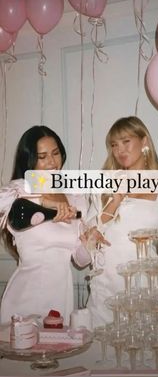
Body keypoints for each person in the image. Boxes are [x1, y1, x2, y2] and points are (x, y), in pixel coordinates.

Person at [86, 116, 158, 328]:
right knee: (102, 353)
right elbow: (89, 233)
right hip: (107, 281)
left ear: (144, 141)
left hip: (145, 283)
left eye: (126, 141)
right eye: (114, 145)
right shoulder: (102, 182)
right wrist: (115, 199)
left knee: (145, 352)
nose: (120, 150)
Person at [0, 125, 93, 325]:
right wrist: (43, 201)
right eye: (42, 156)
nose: (51, 162)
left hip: (61, 299)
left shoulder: (74, 196)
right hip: (25, 299)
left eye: (55, 153)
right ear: (30, 160)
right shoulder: (20, 189)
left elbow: (80, 260)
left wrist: (91, 240)